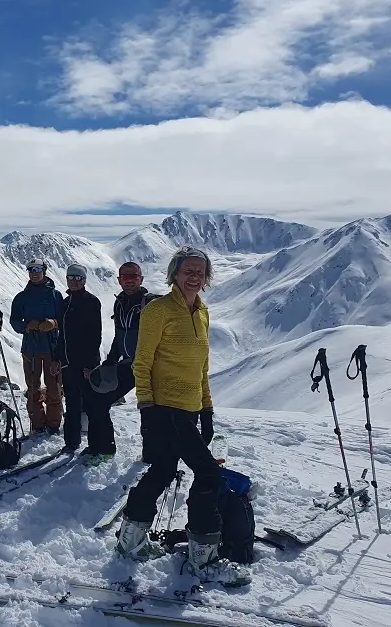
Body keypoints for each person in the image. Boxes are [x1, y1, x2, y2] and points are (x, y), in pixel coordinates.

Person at [115, 247, 250, 586]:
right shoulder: (158, 310)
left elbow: (201, 369)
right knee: (208, 475)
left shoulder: (201, 312)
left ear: (207, 278)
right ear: (174, 273)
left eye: (200, 271)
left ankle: (130, 541)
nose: (194, 276)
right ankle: (203, 558)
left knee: (161, 471)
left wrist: (206, 409)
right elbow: (141, 362)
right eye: (187, 269)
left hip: (190, 410)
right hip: (164, 409)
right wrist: (147, 408)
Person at [96, 261, 159, 459]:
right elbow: (119, 335)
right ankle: (105, 448)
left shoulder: (151, 303)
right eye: (125, 277)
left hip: (150, 367)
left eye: (134, 277)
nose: (129, 281)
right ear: (119, 280)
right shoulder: (120, 301)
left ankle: (151, 457)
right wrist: (110, 362)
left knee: (149, 412)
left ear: (141, 279)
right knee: (98, 400)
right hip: (128, 364)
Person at [9, 258, 65, 435]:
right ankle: (38, 424)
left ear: (44, 271)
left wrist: (54, 323)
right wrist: (26, 326)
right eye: (31, 269)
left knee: (54, 387)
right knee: (33, 387)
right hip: (31, 348)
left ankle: (54, 423)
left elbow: (64, 321)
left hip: (51, 347)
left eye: (37, 269)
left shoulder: (56, 296)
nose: (34, 272)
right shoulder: (21, 298)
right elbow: (14, 321)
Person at [55, 263, 104, 459]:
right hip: (68, 364)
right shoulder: (65, 303)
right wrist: (57, 359)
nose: (74, 281)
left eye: (78, 278)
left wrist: (90, 366)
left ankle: (95, 444)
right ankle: (71, 441)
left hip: (85, 364)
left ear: (84, 280)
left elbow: (95, 336)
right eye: (71, 278)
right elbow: (61, 336)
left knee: (91, 405)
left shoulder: (92, 302)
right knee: (72, 403)